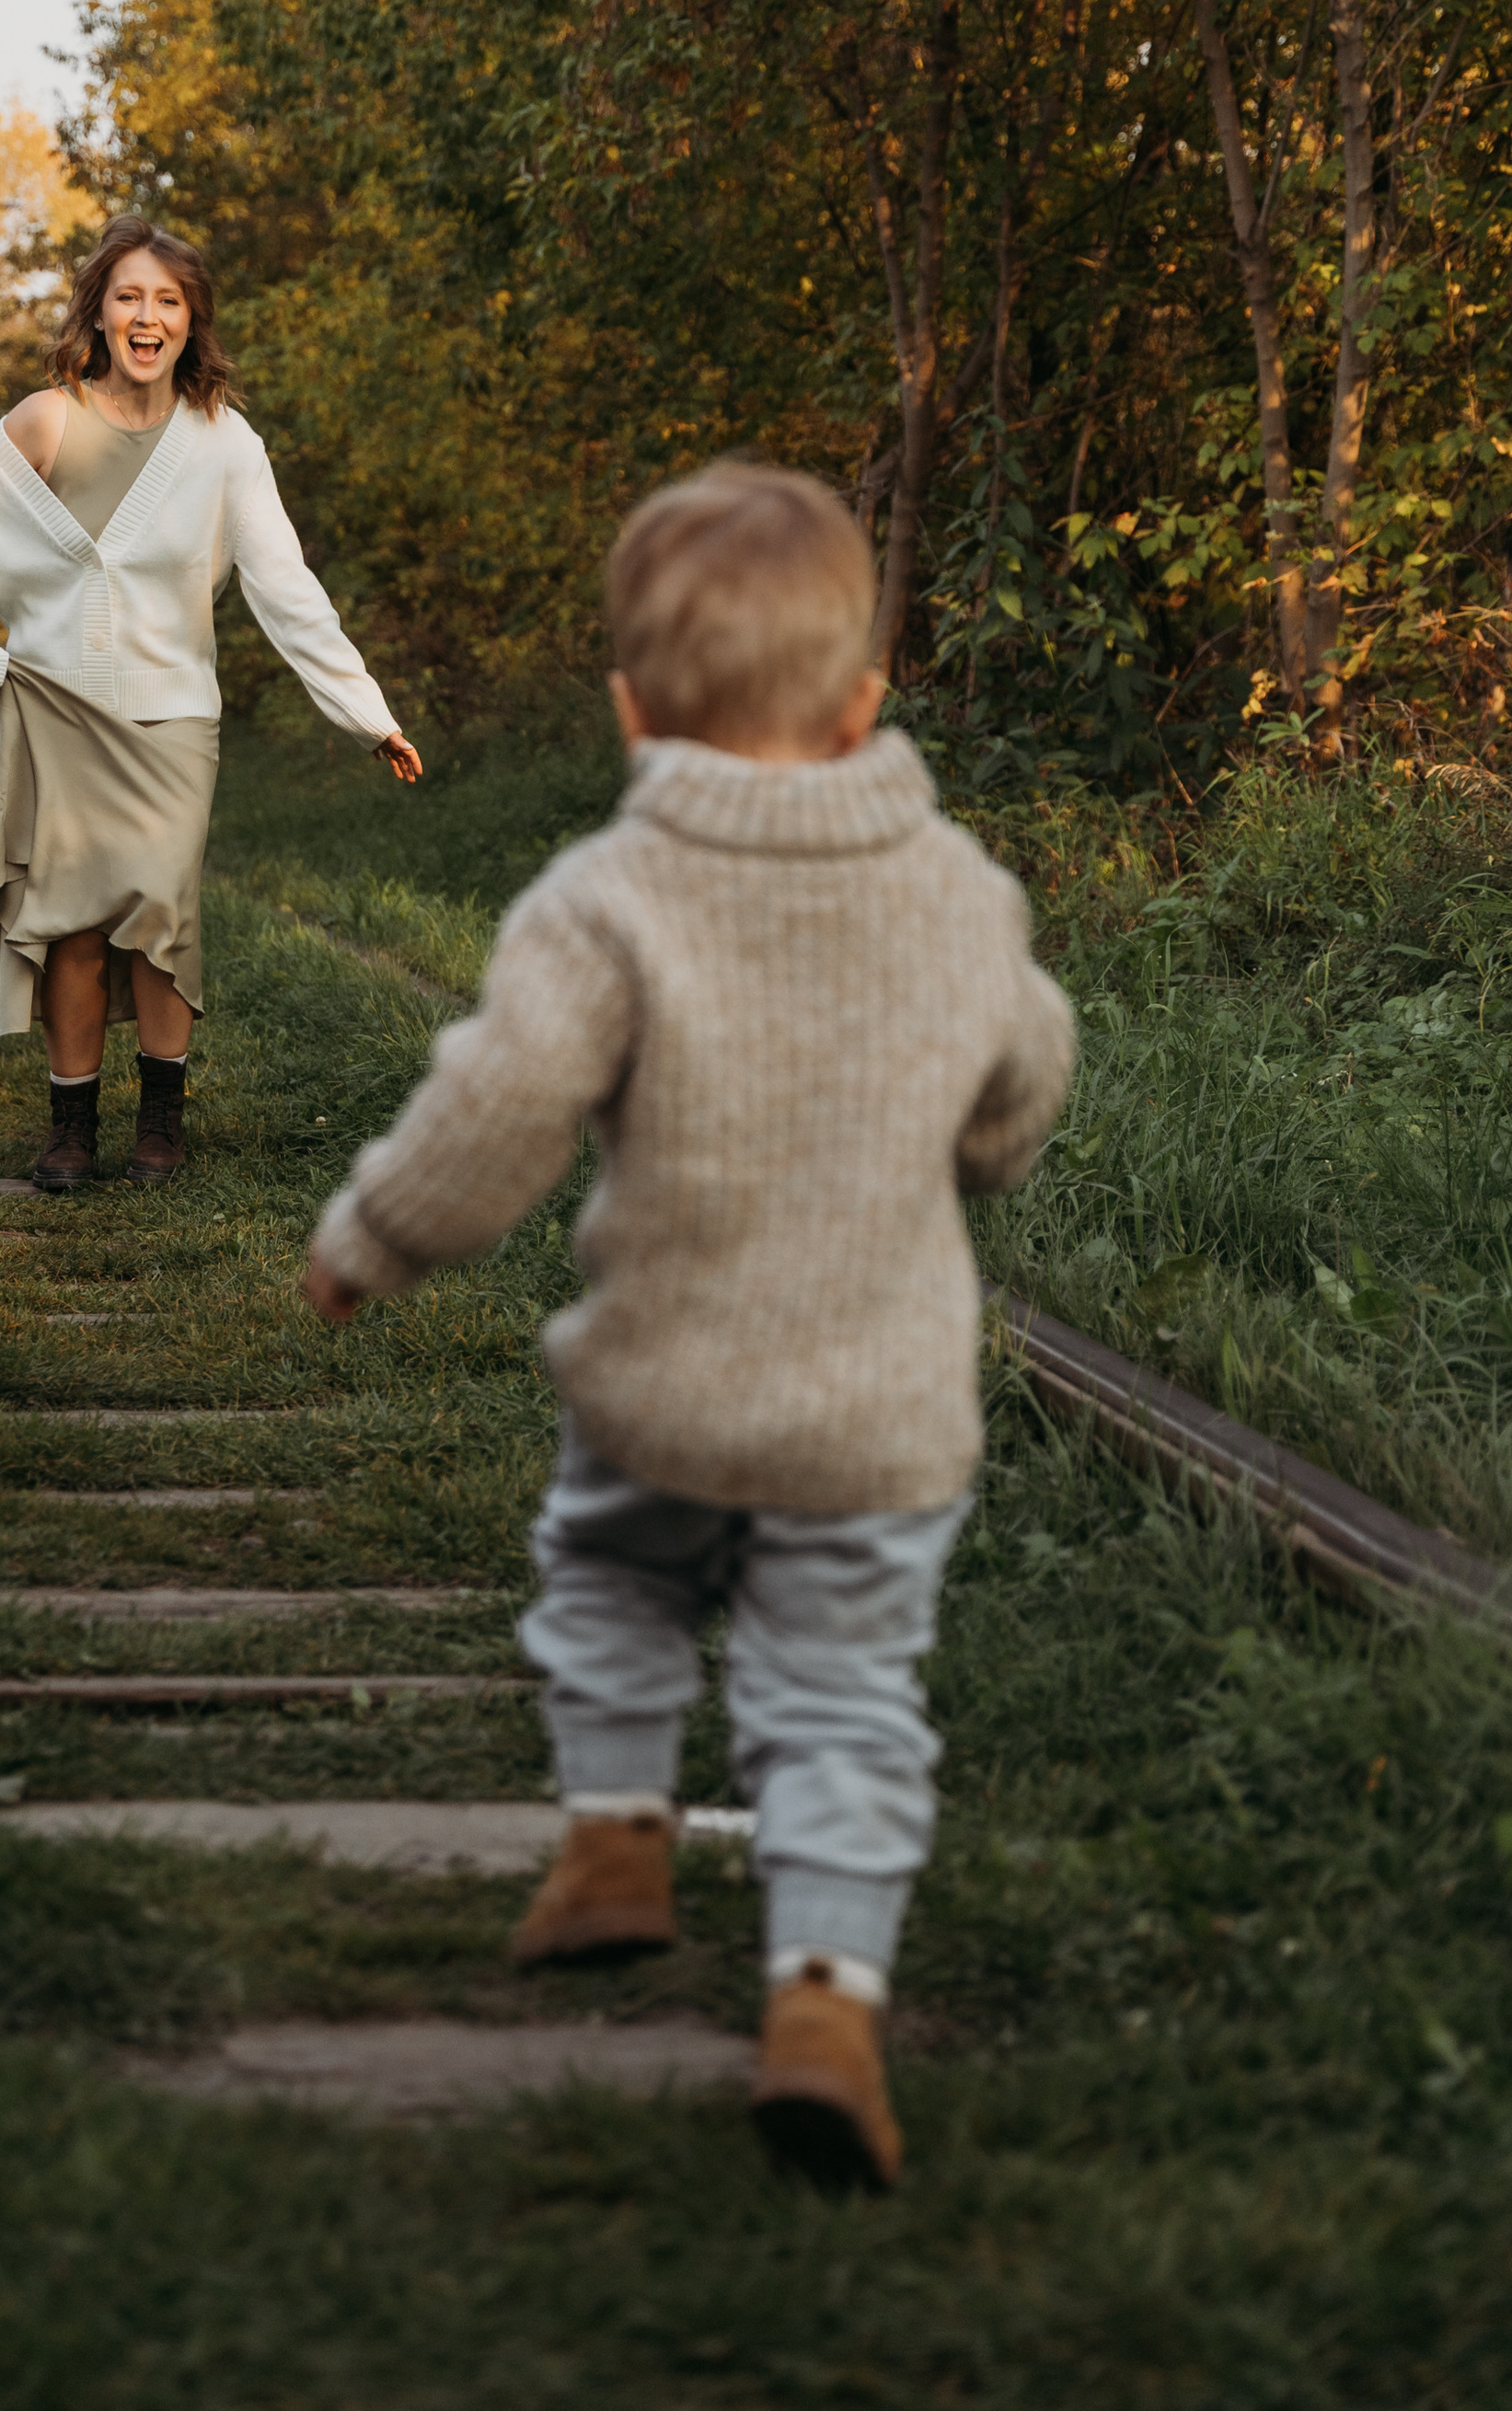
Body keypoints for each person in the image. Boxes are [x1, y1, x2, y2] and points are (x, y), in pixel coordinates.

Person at [302, 461, 1075, 2192]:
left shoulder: (604, 895)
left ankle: (618, 1840)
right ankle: (822, 2000)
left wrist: (372, 1238)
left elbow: (496, 1106)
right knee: (846, 1700)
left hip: (660, 1392)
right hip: (879, 1424)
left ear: (631, 712)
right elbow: (1026, 1074)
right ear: (868, 702)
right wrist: (985, 1147)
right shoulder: (958, 888)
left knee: (611, 1579)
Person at [0, 217, 421, 1189]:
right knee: (70, 924)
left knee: (158, 918)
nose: (148, 318)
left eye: (168, 301)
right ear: (99, 311)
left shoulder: (224, 446)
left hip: (175, 720)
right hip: (56, 710)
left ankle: (161, 1123)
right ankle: (68, 1130)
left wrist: (365, 712)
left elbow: (286, 587)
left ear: (192, 322)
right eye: (130, 297)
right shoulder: (42, 423)